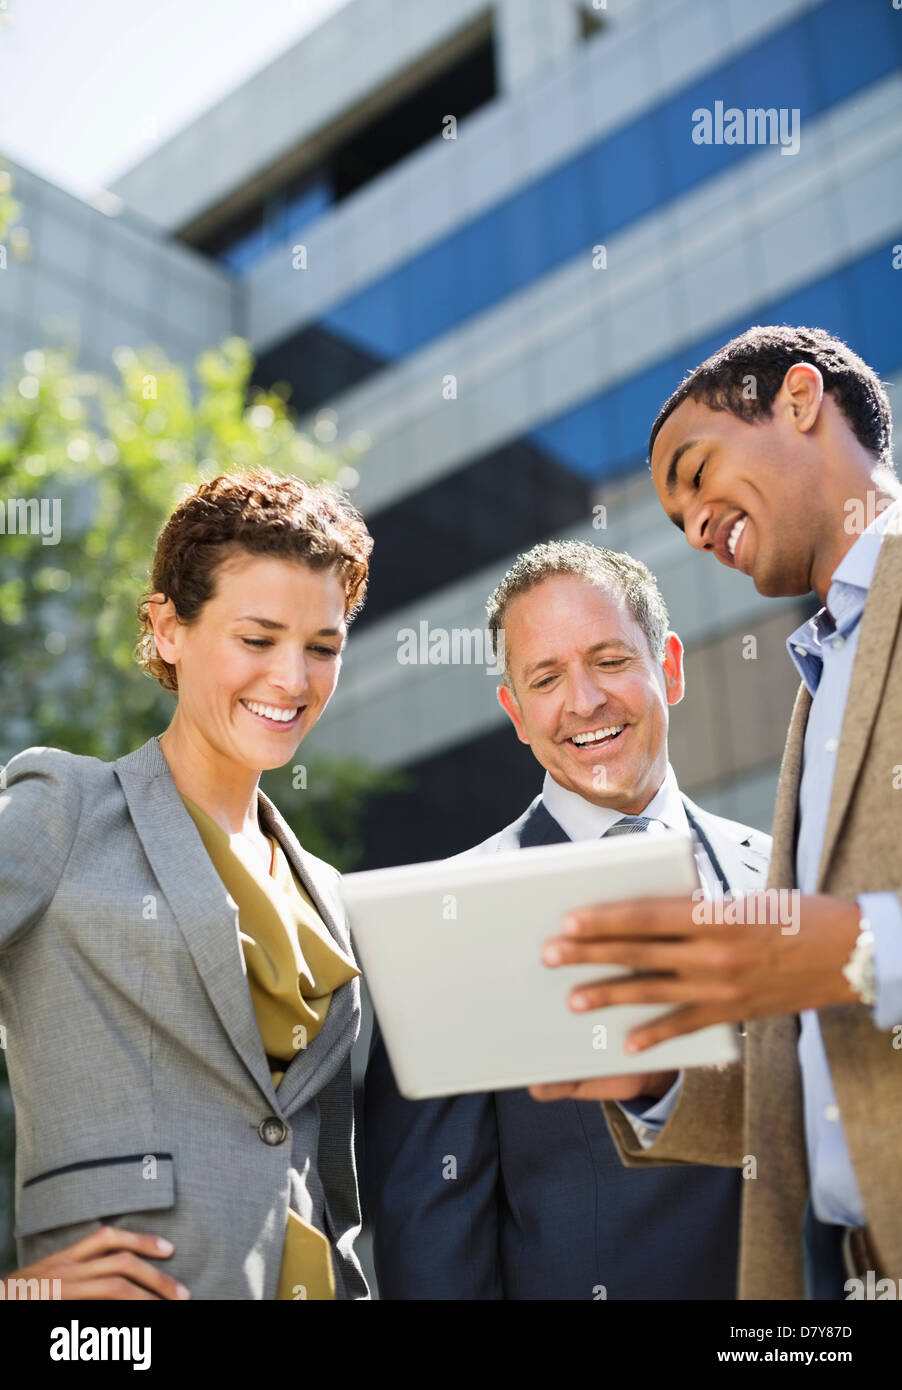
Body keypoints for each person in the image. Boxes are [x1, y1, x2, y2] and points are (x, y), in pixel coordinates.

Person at [533, 326, 902, 1300]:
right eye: (675, 515)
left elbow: (841, 953)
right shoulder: (818, 686)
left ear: (795, 399)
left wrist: (857, 948)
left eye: (696, 475)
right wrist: (654, 1084)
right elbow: (820, 1075)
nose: (694, 527)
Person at [0, 467, 373, 1300]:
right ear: (168, 628)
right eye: (257, 638)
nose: (292, 679)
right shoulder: (63, 813)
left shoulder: (327, 891)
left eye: (322, 647)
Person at [363, 541, 771, 1299]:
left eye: (609, 660)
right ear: (516, 713)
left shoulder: (784, 871)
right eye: (546, 678)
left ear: (670, 667)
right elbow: (430, 1233)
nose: (583, 701)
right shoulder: (450, 922)